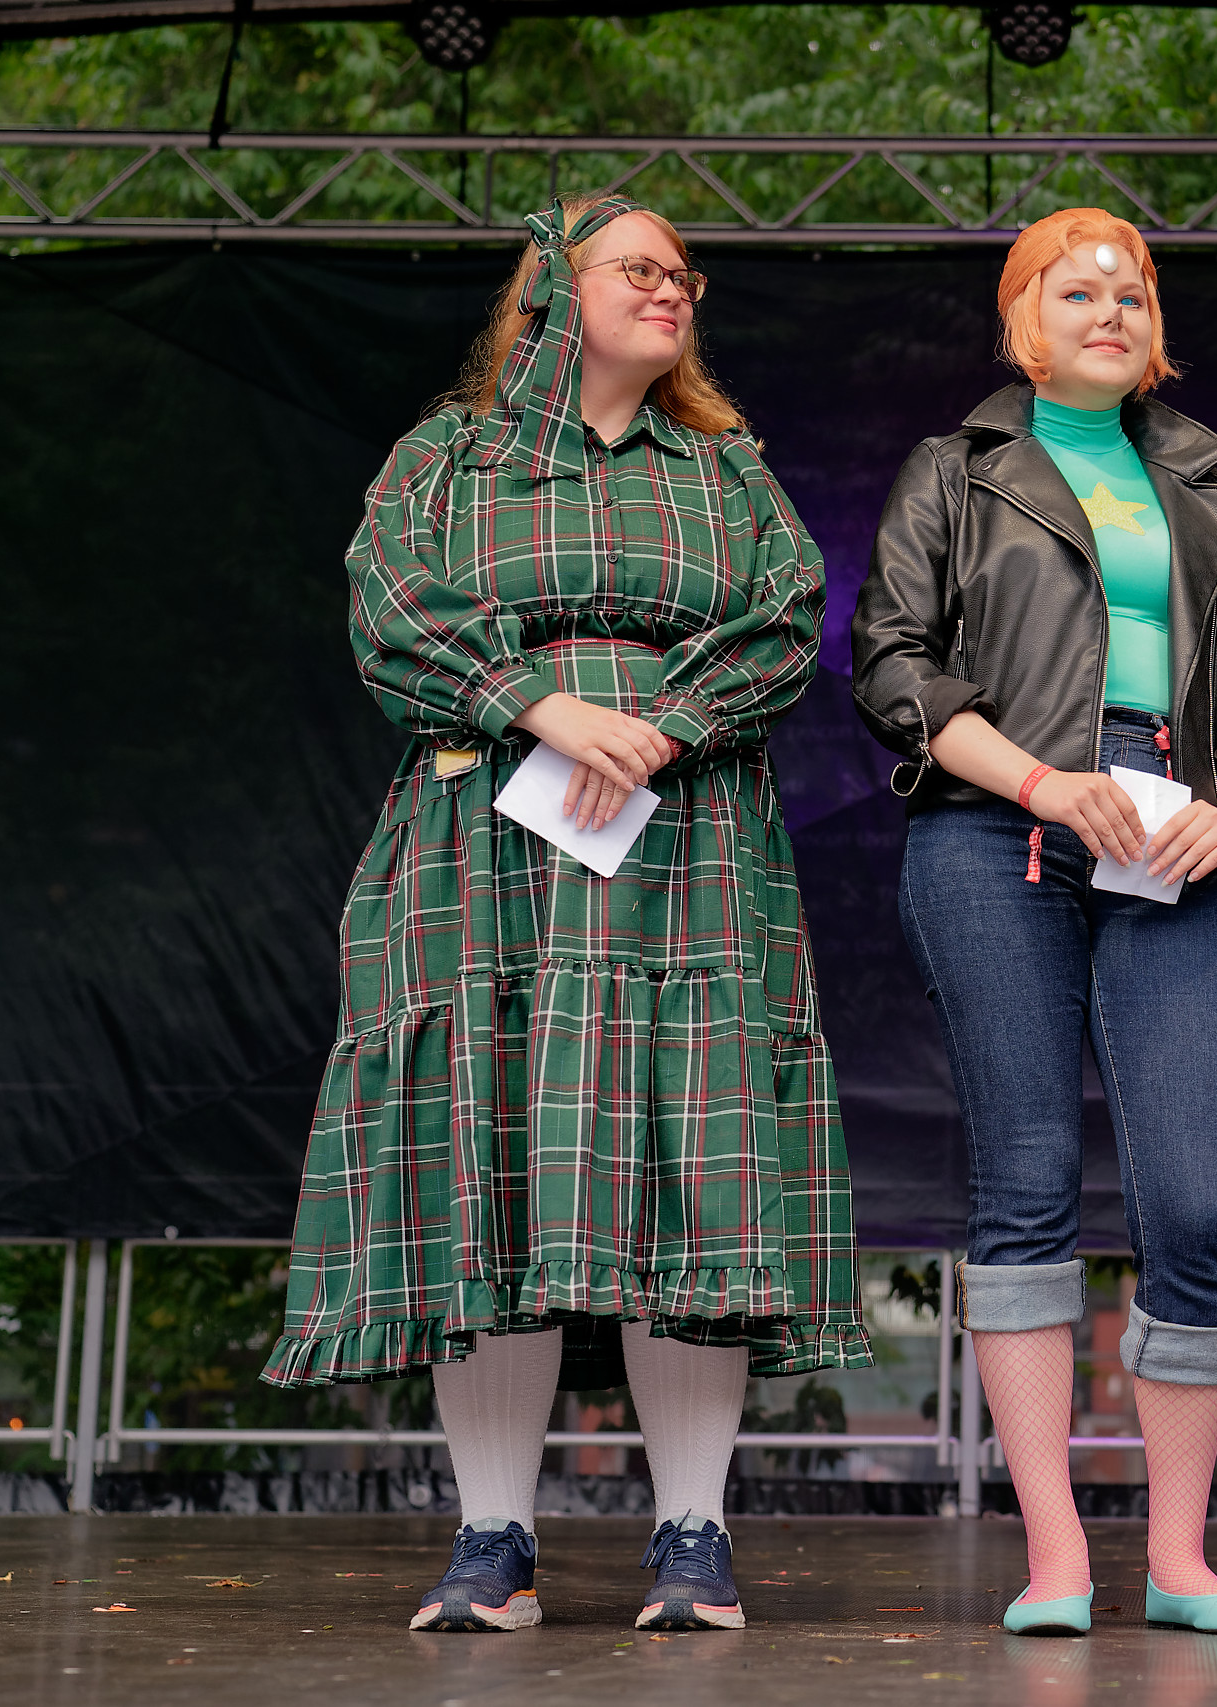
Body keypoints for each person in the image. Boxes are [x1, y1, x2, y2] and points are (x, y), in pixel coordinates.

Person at [261, 193, 871, 1636]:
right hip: (483, 840)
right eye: (640, 268)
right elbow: (388, 610)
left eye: (684, 274)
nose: (673, 290)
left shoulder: (724, 470)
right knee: (494, 1167)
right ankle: (495, 1544)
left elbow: (788, 616)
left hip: (687, 842)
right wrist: (540, 704)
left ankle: (694, 1537)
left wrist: (658, 727)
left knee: (687, 1167)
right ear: (554, 290)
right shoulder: (447, 459)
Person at [852, 208, 1217, 1637]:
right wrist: (1045, 782)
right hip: (1001, 832)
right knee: (1029, 1181)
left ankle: (1180, 1561)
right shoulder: (956, 470)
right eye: (1078, 290)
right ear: (1022, 321)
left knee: (1198, 1205)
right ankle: (1055, 1556)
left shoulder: (1213, 489)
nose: (1111, 309)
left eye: (1133, 292)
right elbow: (892, 666)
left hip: (1172, 837)